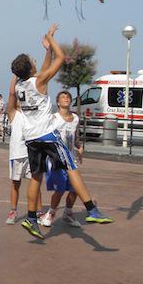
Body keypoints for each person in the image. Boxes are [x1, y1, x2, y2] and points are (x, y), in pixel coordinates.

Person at [11, 24, 111, 240]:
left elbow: (42, 71)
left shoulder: (20, 86)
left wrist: (46, 51)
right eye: (32, 60)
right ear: (30, 67)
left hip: (31, 138)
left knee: (35, 178)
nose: (35, 61)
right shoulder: (39, 81)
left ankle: (31, 218)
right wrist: (50, 38)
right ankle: (91, 210)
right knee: (71, 167)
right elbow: (62, 57)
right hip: (47, 135)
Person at [40, 91, 86, 228]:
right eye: (62, 97)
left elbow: (75, 137)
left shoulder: (75, 118)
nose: (66, 98)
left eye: (68, 97)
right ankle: (51, 213)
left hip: (71, 159)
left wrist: (79, 147)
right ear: (58, 103)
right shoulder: (53, 118)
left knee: (75, 189)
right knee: (60, 189)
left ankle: (68, 213)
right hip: (58, 159)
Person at [5, 85, 32, 225]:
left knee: (35, 184)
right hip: (17, 154)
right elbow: (11, 95)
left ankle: (36, 212)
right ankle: (13, 211)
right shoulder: (14, 114)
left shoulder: (33, 116)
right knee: (16, 183)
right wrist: (16, 77)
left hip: (31, 153)